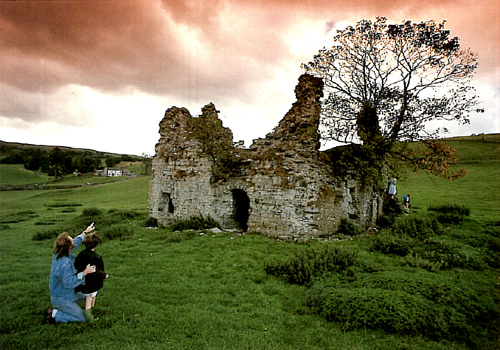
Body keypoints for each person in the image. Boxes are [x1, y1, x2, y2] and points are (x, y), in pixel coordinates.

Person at [46, 223, 97, 324]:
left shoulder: (59, 252)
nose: (74, 241)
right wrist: (84, 273)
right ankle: (55, 314)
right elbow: (69, 282)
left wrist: (85, 232)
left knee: (90, 293)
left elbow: (76, 243)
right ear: (68, 248)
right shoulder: (64, 264)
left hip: (69, 293)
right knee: (82, 318)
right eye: (71, 241)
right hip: (62, 298)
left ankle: (69, 307)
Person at [74, 232, 109, 322]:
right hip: (92, 283)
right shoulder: (97, 257)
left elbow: (76, 265)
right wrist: (104, 275)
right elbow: (98, 270)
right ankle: (89, 317)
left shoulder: (81, 254)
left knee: (92, 295)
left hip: (83, 280)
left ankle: (91, 310)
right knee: (90, 297)